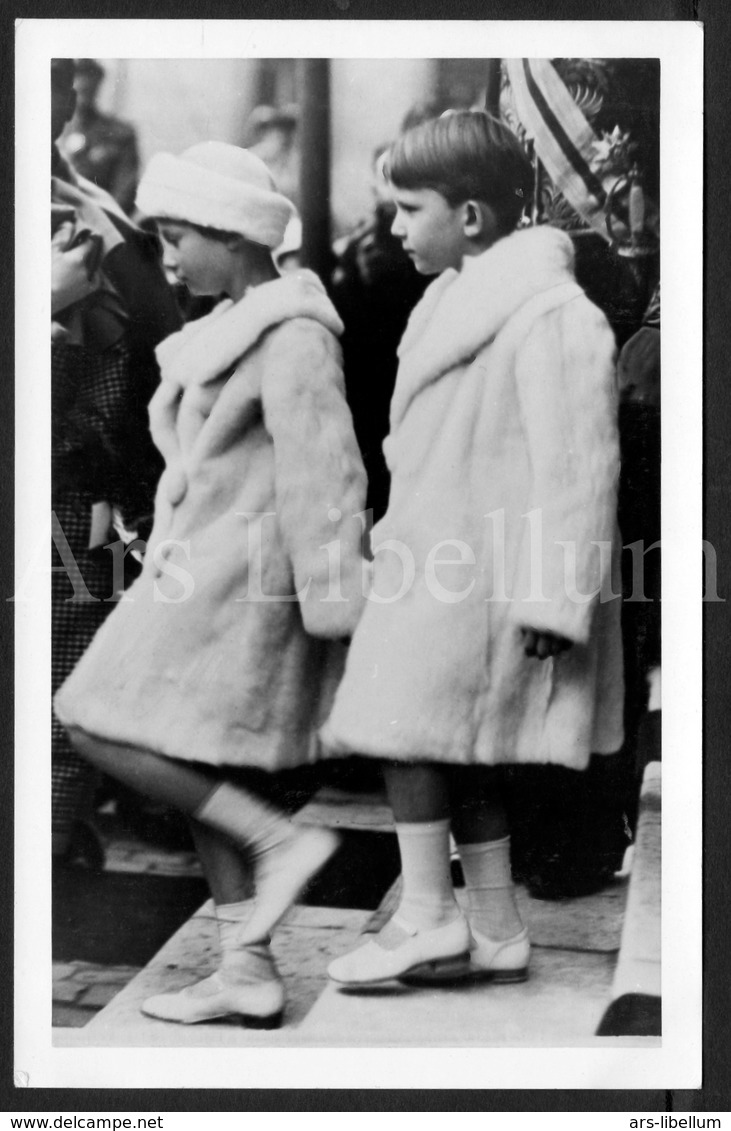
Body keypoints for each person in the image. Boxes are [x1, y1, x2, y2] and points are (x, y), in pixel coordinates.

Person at [55, 140, 367, 1026]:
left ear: (230, 235)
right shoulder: (232, 324)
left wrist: (332, 597)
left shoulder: (294, 331)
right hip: (199, 568)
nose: (167, 257)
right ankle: (247, 967)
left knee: (88, 713)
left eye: (174, 236)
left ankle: (281, 841)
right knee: (189, 754)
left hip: (240, 582)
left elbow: (328, 474)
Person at [321, 111, 624, 987]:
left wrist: (553, 595)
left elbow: (577, 468)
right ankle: (492, 924)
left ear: (473, 218)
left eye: (410, 207)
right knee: (462, 745)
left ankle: (424, 915)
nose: (395, 227)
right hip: (439, 563)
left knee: (400, 723)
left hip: (488, 575)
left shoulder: (549, 315)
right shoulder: (451, 299)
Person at [51, 58, 180, 864]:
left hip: (81, 479)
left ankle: (53, 834)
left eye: (64, 82)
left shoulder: (84, 205)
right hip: (72, 467)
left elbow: (147, 348)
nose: (65, 96)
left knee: (68, 689)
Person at [60, 59, 141, 216]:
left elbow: (126, 189)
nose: (83, 93)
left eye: (88, 89)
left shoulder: (120, 134)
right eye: (78, 87)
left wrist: (102, 224)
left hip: (103, 223)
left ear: (97, 85)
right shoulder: (51, 131)